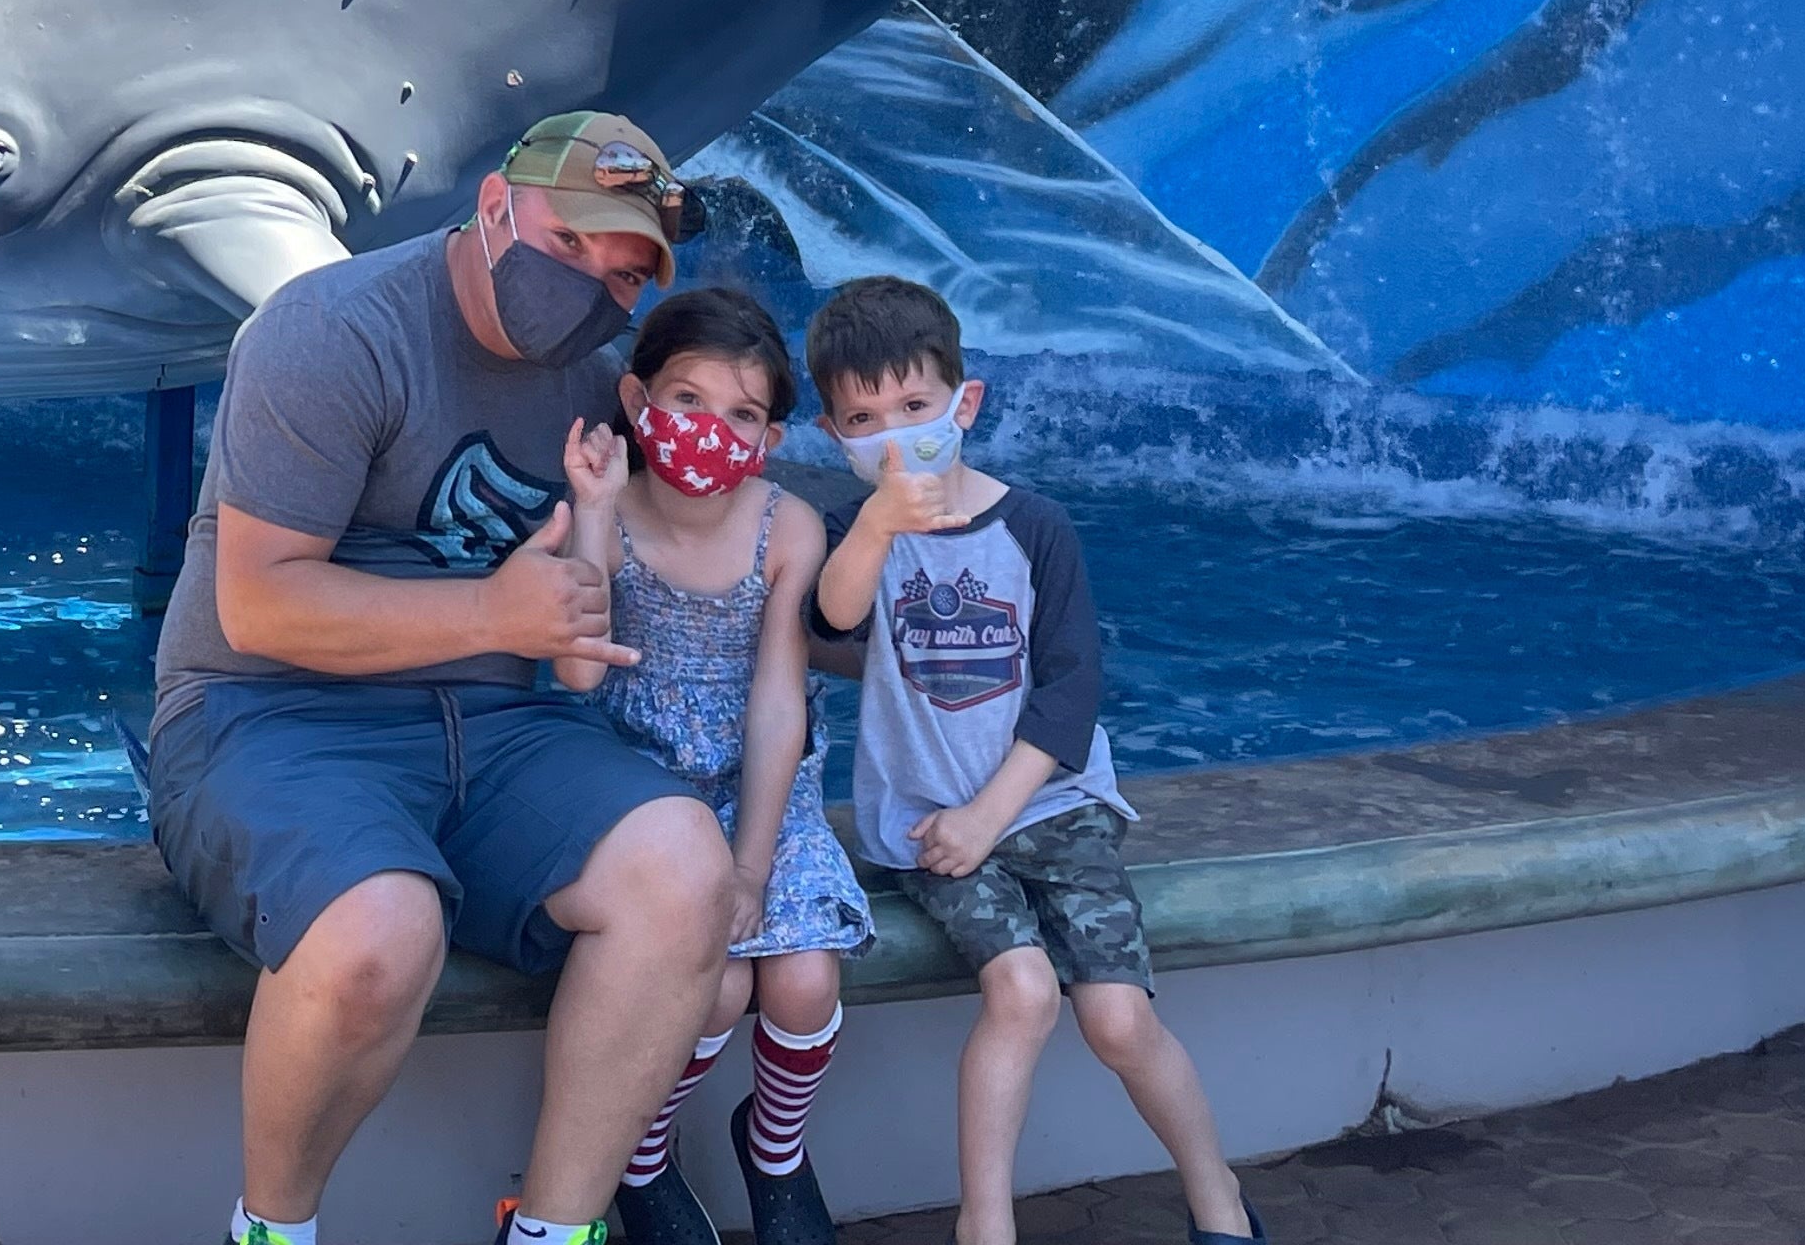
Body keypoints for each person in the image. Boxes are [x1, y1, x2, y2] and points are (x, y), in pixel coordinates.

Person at [144, 109, 748, 1245]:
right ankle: (272, 1234)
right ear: (492, 206)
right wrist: (489, 609)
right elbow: (258, 602)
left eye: (620, 276)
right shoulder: (330, 331)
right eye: (570, 245)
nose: (586, 288)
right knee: (381, 931)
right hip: (270, 709)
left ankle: (554, 1232)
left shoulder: (596, 382)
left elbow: (690, 536)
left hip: (498, 721)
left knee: (683, 872)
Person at [804, 278, 1258, 1245]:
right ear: (832, 431)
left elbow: (1069, 690)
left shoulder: (1034, 526)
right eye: (864, 419)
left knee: (1118, 1022)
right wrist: (881, 524)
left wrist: (989, 815)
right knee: (1020, 990)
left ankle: (1217, 1196)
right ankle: (986, 1225)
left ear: (963, 404)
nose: (894, 435)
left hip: (1049, 806)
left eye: (915, 408)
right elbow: (827, 620)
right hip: (927, 821)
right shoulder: (855, 535)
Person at [555, 286, 870, 1245]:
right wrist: (595, 513)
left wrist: (750, 866)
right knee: (718, 987)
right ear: (640, 401)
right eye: (688, 402)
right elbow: (573, 673)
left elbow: (780, 705)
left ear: (771, 436)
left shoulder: (790, 527)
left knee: (805, 981)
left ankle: (774, 1151)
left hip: (758, 789)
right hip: (636, 782)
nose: (712, 430)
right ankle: (640, 1160)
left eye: (743, 414)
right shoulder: (606, 512)